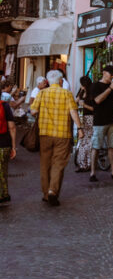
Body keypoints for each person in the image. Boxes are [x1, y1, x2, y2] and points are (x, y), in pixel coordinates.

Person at [30, 69, 83, 206]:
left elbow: (33, 111)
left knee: (45, 163)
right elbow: (73, 112)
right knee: (58, 163)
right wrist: (80, 128)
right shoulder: (67, 94)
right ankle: (53, 191)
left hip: (45, 134)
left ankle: (46, 194)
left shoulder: (42, 93)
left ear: (48, 81)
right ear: (60, 81)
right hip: (62, 134)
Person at [91, 65, 113, 183]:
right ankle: (93, 173)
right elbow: (97, 100)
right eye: (111, 74)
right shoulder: (95, 85)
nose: (112, 77)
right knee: (96, 147)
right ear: (104, 73)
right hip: (100, 121)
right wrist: (110, 88)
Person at [75, 76, 95, 172]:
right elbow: (75, 102)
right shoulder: (82, 93)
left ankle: (87, 163)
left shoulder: (92, 95)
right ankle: (83, 163)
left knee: (87, 141)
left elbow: (94, 109)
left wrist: (84, 105)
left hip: (90, 118)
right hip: (84, 118)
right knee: (83, 141)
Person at [0, 92, 17, 204]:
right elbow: (12, 127)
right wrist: (14, 147)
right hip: (3, 143)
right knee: (2, 170)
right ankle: (4, 194)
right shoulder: (5, 105)